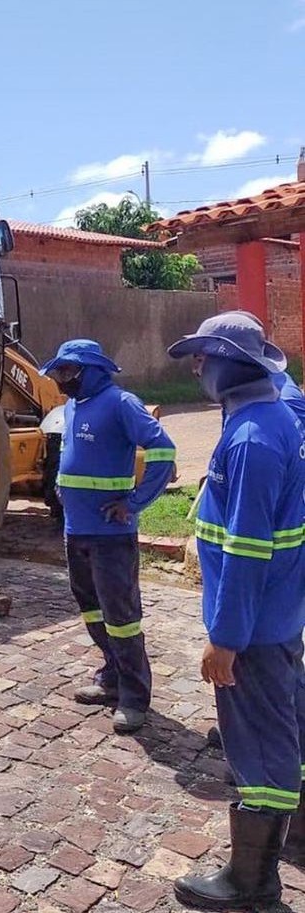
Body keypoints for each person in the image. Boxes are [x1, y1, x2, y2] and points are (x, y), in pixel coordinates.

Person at [167, 312, 305, 910]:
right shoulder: (271, 419)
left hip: (253, 627)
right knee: (284, 726)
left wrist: (224, 638)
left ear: (232, 364)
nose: (197, 367)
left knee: (260, 744)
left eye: (204, 356)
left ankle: (252, 882)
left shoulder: (252, 438)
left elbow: (248, 550)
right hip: (276, 618)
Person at [39, 340, 176, 733]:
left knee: (122, 618)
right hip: (75, 531)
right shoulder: (72, 406)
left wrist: (134, 503)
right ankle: (112, 675)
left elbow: (163, 451)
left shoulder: (122, 403)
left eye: (68, 372)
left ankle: (135, 696)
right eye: (59, 372)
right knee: (91, 608)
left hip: (110, 537)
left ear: (92, 370)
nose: (62, 380)